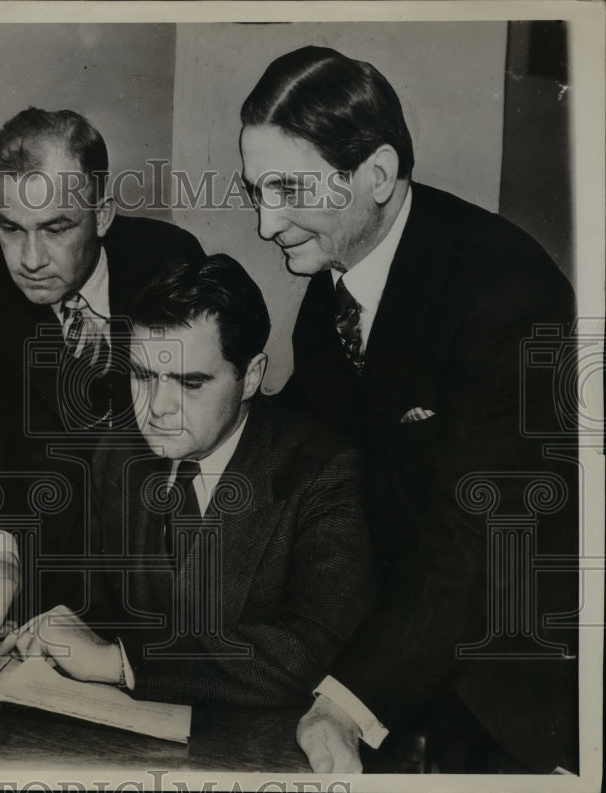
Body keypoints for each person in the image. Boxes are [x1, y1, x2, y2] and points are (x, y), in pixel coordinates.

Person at [239, 46, 578, 772]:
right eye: (256, 191)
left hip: (501, 689)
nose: (267, 224)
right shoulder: (335, 279)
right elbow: (312, 446)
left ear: (378, 174)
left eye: (289, 189)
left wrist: (344, 704)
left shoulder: (508, 294)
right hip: (395, 645)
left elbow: (473, 544)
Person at [0, 254, 377, 705]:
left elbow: (312, 650)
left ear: (251, 376)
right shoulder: (115, 455)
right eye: (142, 375)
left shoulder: (325, 471)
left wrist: (120, 662)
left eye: (190, 383)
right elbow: (94, 611)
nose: (158, 408)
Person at [0, 108, 204, 637]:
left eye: (56, 228)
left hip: (160, 562)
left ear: (103, 214)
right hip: (32, 571)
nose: (30, 259)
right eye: (10, 228)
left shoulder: (171, 259)